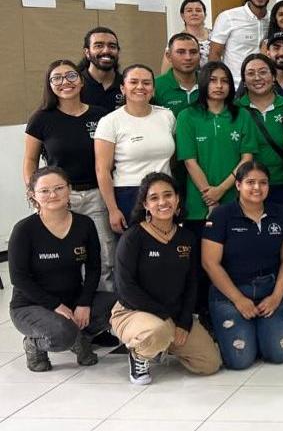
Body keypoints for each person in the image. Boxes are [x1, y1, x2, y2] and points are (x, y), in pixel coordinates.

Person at [111, 172, 222, 384]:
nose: (162, 202)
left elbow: (191, 283)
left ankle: (162, 344)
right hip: (133, 311)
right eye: (154, 198)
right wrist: (166, 317)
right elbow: (125, 288)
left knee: (209, 363)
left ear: (177, 199)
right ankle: (139, 355)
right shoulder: (133, 237)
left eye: (168, 195)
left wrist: (185, 321)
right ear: (145, 204)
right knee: (158, 330)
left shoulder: (186, 238)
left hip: (172, 315)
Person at [11, 167, 114, 372]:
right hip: (31, 306)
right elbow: (18, 277)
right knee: (61, 334)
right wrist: (55, 305)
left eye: (59, 188)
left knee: (118, 304)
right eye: (45, 191)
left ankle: (80, 337)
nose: (53, 195)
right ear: (33, 195)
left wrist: (84, 302)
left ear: (69, 189)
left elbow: (94, 267)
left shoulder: (84, 224)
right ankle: (34, 345)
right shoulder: (24, 230)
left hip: (73, 300)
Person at [24, 60, 114, 290]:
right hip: (60, 198)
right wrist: (35, 196)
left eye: (71, 76)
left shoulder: (100, 115)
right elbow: (30, 160)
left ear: (81, 80)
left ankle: (105, 314)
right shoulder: (41, 118)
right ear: (50, 84)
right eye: (57, 78)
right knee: (66, 258)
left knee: (104, 257)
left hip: (97, 195)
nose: (65, 82)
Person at [201, 162, 283, 369]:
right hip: (231, 293)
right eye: (250, 182)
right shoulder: (222, 215)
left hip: (269, 291)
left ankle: (261, 330)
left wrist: (276, 296)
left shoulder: (280, 213)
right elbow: (210, 263)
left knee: (279, 354)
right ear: (237, 185)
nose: (257, 188)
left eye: (263, 183)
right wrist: (239, 300)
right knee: (240, 361)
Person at [175, 62, 257, 235]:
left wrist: (220, 190)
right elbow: (190, 162)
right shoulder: (187, 116)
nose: (219, 86)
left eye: (225, 81)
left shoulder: (242, 115)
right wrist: (211, 200)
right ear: (203, 82)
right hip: (199, 205)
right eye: (213, 80)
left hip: (236, 200)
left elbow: (247, 159)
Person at [94, 64, 176, 235]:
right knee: (133, 252)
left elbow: (174, 158)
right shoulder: (109, 122)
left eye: (146, 83)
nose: (140, 87)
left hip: (164, 194)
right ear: (123, 88)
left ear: (153, 90)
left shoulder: (167, 116)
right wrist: (113, 209)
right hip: (128, 195)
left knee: (165, 246)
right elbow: (102, 170)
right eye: (134, 82)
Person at [238, 53, 283, 216]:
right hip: (248, 188)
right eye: (250, 73)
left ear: (273, 76)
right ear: (243, 80)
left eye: (263, 72)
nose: (257, 77)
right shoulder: (234, 110)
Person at [210, 0, 271, 81]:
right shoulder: (228, 17)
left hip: (265, 83)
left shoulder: (273, 19)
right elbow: (215, 53)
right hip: (235, 84)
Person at [152, 33, 201, 116]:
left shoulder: (210, 83)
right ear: (169, 56)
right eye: (181, 52)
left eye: (193, 52)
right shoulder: (155, 86)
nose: (188, 57)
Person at [160, 0, 211, 73]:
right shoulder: (176, 40)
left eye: (198, 10)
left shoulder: (216, 35)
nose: (194, 13)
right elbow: (165, 71)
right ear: (182, 16)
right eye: (189, 11)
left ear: (205, 15)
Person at [78, 27, 123, 110]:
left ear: (118, 52)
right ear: (87, 52)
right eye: (99, 46)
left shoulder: (128, 85)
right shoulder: (75, 85)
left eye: (112, 46)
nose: (106, 51)